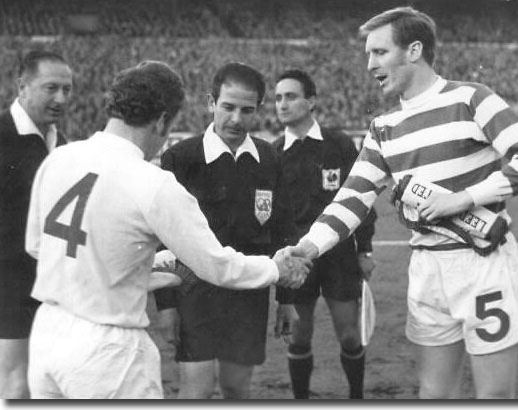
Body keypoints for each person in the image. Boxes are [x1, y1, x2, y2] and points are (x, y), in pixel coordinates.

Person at [287, 7, 518, 399]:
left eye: (379, 52)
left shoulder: (471, 99)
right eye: (368, 54)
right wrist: (309, 247)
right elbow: (350, 199)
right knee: (433, 395)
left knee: (495, 396)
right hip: (427, 270)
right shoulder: (383, 128)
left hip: (481, 266)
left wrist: (463, 198)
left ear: (414, 50)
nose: (369, 65)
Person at [24, 60, 310, 399]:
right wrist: (276, 268)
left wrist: (138, 272)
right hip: (106, 351)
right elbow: (216, 265)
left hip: (47, 336)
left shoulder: (59, 158)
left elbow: (38, 246)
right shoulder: (152, 182)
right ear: (162, 119)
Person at [155, 62, 296, 399]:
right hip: (194, 291)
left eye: (247, 110)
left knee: (236, 387)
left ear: (259, 110)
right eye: (228, 107)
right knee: (196, 389)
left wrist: (287, 300)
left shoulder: (269, 158)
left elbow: (282, 231)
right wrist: (166, 305)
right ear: (211, 103)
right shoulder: (181, 157)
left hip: (248, 293)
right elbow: (163, 237)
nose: (236, 119)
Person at [272, 69, 377, 400]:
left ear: (311, 101)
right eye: (277, 98)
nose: (282, 104)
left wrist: (365, 250)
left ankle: (356, 398)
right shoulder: (273, 153)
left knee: (348, 335)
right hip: (297, 259)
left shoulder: (339, 144)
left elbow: (362, 201)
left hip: (340, 255)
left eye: (291, 96)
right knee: (299, 336)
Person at [0, 50, 73, 399]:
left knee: (51, 384)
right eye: (51, 88)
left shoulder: (65, 147)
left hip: (55, 289)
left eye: (67, 89)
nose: (61, 98)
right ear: (22, 86)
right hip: (8, 286)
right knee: (16, 385)